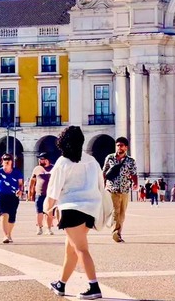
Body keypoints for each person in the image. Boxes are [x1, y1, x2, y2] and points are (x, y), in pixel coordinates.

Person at [47, 126, 104, 300]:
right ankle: (61, 284)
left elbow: (53, 191)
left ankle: (94, 286)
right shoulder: (91, 160)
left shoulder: (63, 162)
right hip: (90, 209)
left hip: (71, 209)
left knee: (80, 249)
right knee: (70, 250)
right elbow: (100, 184)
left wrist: (46, 210)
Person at [101, 137, 138, 243]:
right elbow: (104, 172)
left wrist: (135, 184)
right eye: (117, 145)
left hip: (125, 189)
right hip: (112, 188)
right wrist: (102, 184)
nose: (119, 147)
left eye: (121, 145)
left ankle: (118, 232)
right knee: (115, 210)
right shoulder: (110, 158)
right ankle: (115, 232)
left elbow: (134, 174)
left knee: (122, 213)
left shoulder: (130, 161)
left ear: (126, 147)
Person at [0, 154, 24, 244]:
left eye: (8, 159)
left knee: (12, 218)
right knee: (4, 215)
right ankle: (5, 235)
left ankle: (9, 234)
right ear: (2, 161)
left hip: (13, 196)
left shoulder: (16, 172)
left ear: (12, 161)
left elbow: (20, 184)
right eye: (5, 159)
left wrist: (20, 191)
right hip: (2, 196)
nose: (7, 161)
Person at [29, 152, 56, 236]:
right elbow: (32, 180)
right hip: (39, 193)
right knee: (39, 211)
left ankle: (48, 228)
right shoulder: (37, 169)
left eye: (42, 159)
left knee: (49, 212)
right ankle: (39, 227)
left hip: (50, 194)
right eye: (39, 159)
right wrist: (30, 192)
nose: (40, 161)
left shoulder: (53, 168)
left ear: (47, 160)